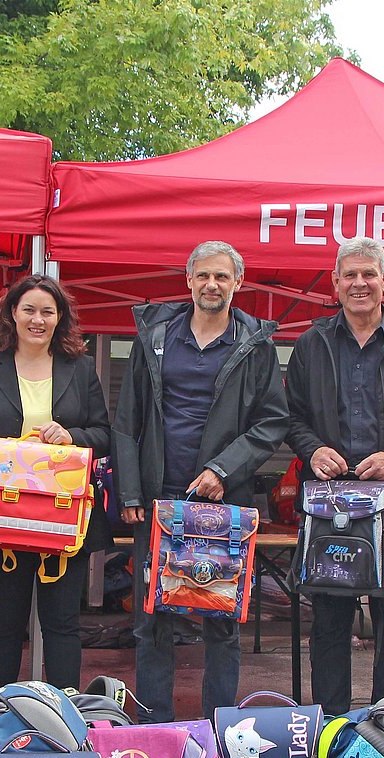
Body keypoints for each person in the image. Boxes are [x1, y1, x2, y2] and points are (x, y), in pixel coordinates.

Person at [113, 240, 289, 723]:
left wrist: (223, 470)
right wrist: (130, 491)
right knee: (151, 620)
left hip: (222, 504)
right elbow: (126, 421)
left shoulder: (255, 345)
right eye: (204, 276)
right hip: (158, 500)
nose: (212, 285)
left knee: (222, 620)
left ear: (238, 283)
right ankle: (155, 726)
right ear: (188, 280)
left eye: (222, 277)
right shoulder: (155, 337)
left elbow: (272, 421)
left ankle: (219, 730)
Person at [284, 237, 384, 714]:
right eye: (349, 275)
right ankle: (332, 728)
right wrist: (312, 451)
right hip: (327, 508)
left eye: (369, 274)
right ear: (335, 283)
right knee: (329, 623)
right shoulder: (311, 344)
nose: (359, 283)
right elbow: (289, 417)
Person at [0, 274, 111, 692]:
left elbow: (103, 434)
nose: (37, 320)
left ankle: (64, 716)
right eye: (29, 310)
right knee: (4, 625)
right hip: (4, 516)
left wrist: (72, 435)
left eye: (47, 311)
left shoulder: (80, 369)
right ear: (12, 313)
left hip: (64, 519)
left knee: (63, 624)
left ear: (60, 318)